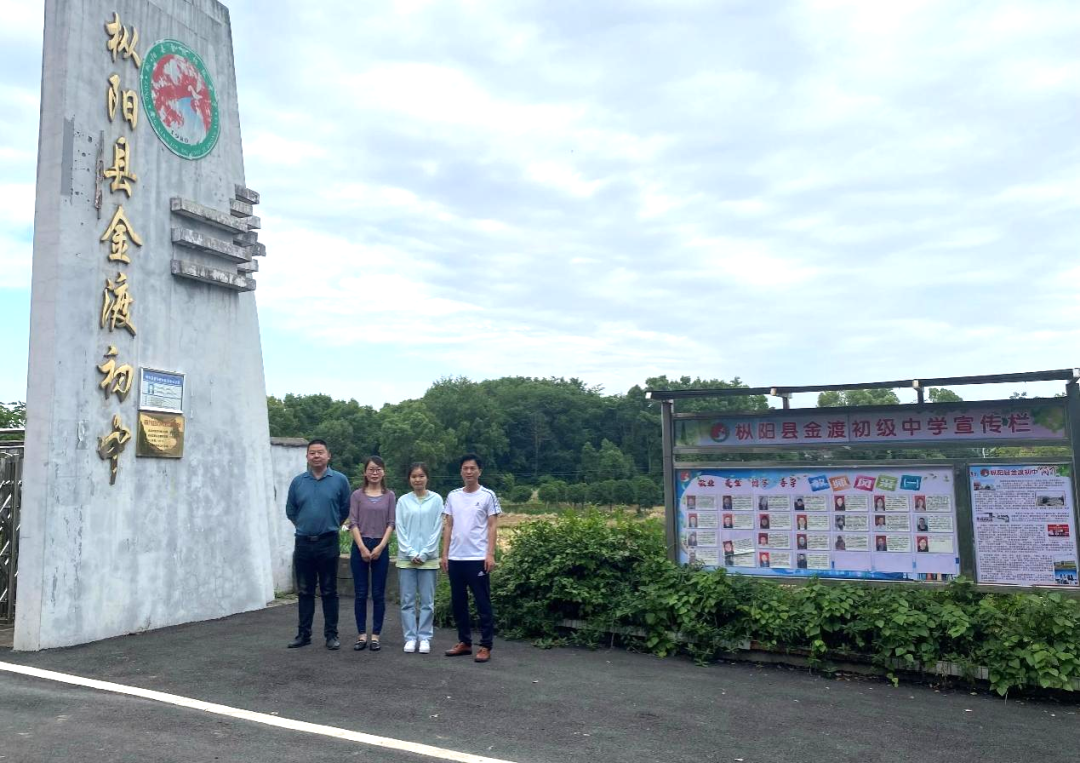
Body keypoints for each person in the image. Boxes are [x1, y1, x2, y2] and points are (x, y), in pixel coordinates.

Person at [285, 439, 351, 650]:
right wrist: (305, 526)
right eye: (312, 452)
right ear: (307, 456)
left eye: (320, 452)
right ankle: (303, 634)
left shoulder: (340, 480)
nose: (316, 456)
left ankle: (331, 635)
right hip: (303, 543)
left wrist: (329, 525)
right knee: (305, 591)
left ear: (328, 455)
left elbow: (345, 509)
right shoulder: (298, 482)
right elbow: (291, 511)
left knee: (329, 590)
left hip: (328, 542)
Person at [442, 454, 501, 663]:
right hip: (456, 558)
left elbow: (492, 525)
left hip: (477, 558)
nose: (469, 472)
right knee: (459, 603)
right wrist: (444, 554)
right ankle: (464, 642)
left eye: (472, 468)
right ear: (461, 471)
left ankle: (485, 645)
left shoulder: (487, 495)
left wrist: (490, 554)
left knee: (482, 602)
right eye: (465, 468)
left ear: (479, 471)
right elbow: (448, 525)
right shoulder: (453, 496)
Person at [349, 456, 396, 652]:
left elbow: (391, 523)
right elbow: (353, 522)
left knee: (378, 593)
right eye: (371, 469)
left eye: (378, 469)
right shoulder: (357, 495)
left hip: (380, 545)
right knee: (360, 593)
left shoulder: (390, 495)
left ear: (383, 472)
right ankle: (361, 635)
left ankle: (375, 636)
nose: (374, 473)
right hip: (360, 544)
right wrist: (361, 547)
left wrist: (380, 547)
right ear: (365, 472)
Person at [395, 462, 444, 655]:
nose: (418, 479)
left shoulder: (437, 500)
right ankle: (409, 637)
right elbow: (400, 528)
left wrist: (424, 553)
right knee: (407, 601)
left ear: (427, 478)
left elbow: (437, 528)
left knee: (427, 602)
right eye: (414, 476)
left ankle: (424, 637)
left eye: (421, 476)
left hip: (429, 560)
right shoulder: (403, 501)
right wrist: (410, 552)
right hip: (406, 559)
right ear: (409, 479)